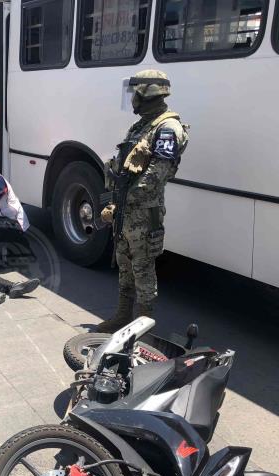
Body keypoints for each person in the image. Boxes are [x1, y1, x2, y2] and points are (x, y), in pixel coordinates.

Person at [95, 70, 189, 333]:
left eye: (135, 93)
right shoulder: (141, 126)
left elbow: (155, 177)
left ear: (148, 93)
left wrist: (124, 201)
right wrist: (114, 202)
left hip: (143, 215)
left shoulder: (167, 128)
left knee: (143, 271)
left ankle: (144, 328)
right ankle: (123, 316)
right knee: (124, 265)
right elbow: (124, 170)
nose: (132, 99)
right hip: (126, 211)